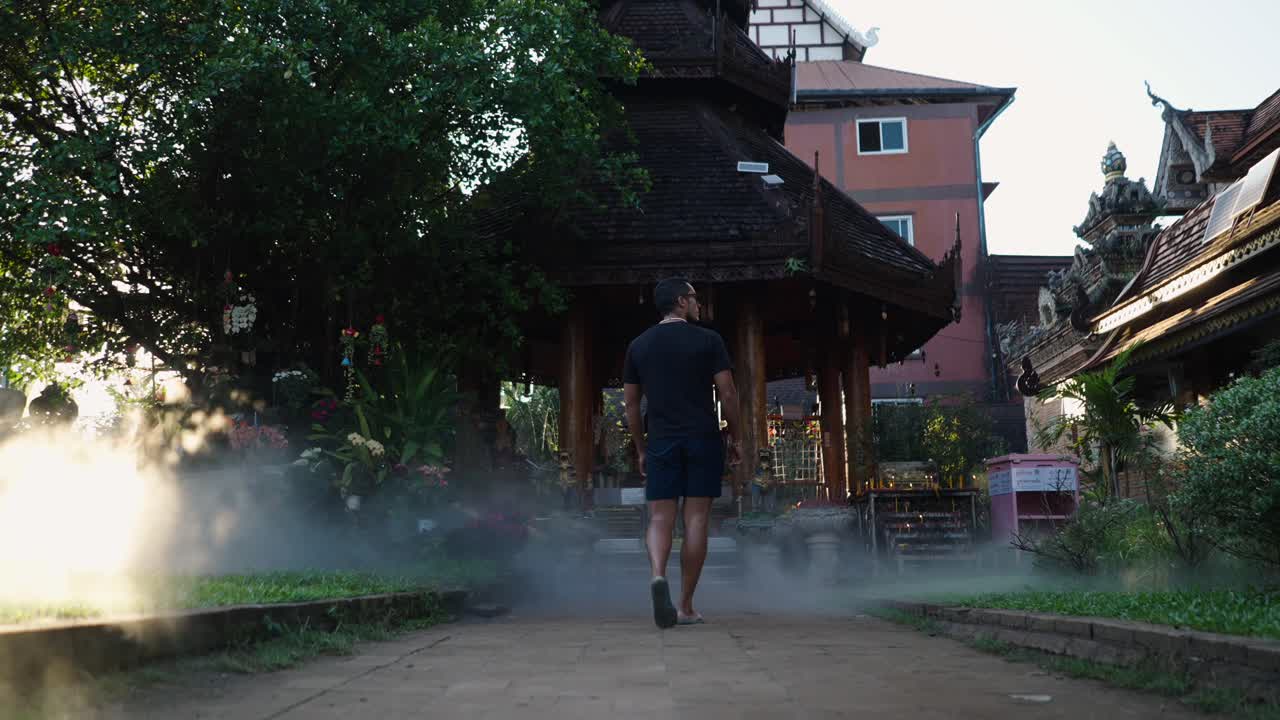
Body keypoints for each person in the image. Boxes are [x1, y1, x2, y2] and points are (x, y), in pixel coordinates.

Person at [623, 278, 742, 628]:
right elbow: (728, 393)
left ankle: (658, 575)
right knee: (696, 520)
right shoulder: (709, 340)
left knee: (660, 518)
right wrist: (737, 437)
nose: (699, 304)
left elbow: (631, 405)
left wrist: (641, 447)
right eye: (695, 297)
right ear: (680, 301)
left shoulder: (638, 345)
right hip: (702, 439)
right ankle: (686, 605)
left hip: (661, 440)